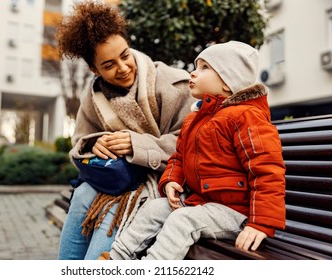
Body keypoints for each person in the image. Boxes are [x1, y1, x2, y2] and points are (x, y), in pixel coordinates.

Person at [109, 41, 286, 260]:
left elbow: (267, 170)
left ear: (227, 82)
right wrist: (172, 180)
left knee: (182, 220)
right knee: (155, 208)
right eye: (196, 66)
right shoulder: (195, 119)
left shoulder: (246, 117)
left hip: (236, 213)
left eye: (204, 68)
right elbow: (180, 157)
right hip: (201, 204)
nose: (193, 74)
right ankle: (115, 259)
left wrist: (260, 223)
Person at [57, 1, 196, 260]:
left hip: (166, 184)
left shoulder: (173, 83)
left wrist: (137, 145)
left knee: (115, 201)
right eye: (108, 65)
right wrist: (93, 144)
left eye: (125, 55)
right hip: (119, 179)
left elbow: (192, 143)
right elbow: (79, 143)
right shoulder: (93, 97)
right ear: (93, 69)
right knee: (83, 194)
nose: (122, 68)